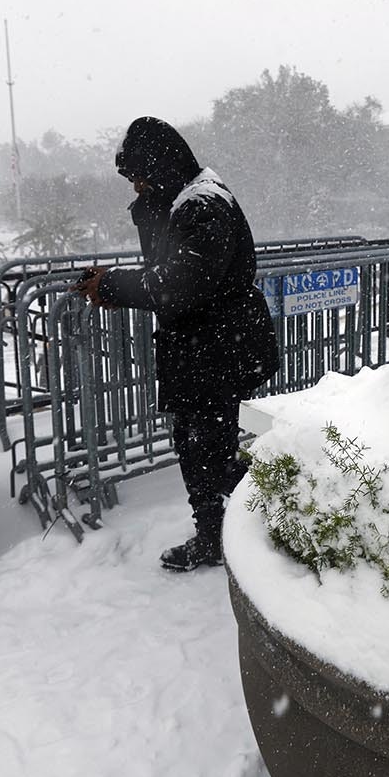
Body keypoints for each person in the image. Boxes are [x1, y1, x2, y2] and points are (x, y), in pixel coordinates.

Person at [72, 117, 279, 572]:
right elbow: (169, 270)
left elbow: (180, 285)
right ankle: (218, 532)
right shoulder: (184, 199)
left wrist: (112, 287)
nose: (136, 187)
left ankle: (279, 516)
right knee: (195, 448)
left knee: (213, 454)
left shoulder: (203, 205)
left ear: (160, 166)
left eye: (139, 176)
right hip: (200, 351)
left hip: (215, 352)